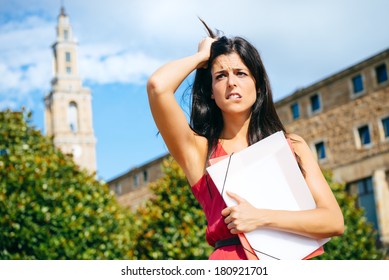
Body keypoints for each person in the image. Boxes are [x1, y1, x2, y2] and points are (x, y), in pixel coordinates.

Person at [146, 22, 344, 260]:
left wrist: (261, 216)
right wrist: (202, 57)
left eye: (241, 73)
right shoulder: (199, 150)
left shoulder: (292, 145)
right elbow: (158, 86)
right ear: (211, 90)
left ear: (257, 85)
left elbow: (333, 221)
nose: (231, 82)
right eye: (220, 76)